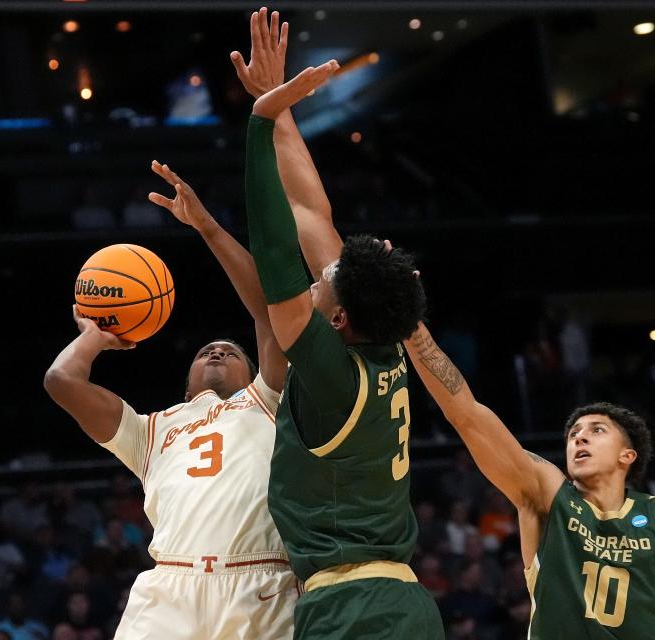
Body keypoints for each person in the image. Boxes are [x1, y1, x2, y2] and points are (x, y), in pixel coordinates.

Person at [43, 16, 339, 628]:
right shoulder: (151, 434)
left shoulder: (270, 401)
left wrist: (207, 228)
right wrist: (97, 334)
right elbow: (61, 383)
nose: (216, 351)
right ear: (183, 380)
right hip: (169, 589)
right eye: (208, 349)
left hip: (261, 585)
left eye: (230, 350)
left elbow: (269, 309)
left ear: (257, 368)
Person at [241, 22, 442, 639]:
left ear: (336, 319)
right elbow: (309, 211)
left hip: (352, 609)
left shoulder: (334, 377)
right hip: (403, 603)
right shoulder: (380, 343)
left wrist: (256, 126)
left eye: (327, 277)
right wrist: (280, 109)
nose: (319, 272)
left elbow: (276, 248)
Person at [402, 322, 655, 638]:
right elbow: (466, 413)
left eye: (596, 431)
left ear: (627, 455)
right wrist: (410, 325)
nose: (579, 439)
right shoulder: (547, 493)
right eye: (573, 434)